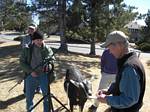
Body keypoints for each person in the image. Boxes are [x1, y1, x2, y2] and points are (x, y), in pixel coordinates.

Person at [97, 31, 146, 112]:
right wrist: (109, 91)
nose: (110, 52)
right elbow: (122, 83)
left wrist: (106, 99)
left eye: (110, 48)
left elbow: (130, 99)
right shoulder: (128, 60)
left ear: (120, 45)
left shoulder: (129, 67)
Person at [20, 31, 55, 112]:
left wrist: (48, 66)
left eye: (41, 39)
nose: (40, 42)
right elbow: (22, 62)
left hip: (43, 75)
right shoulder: (27, 49)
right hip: (30, 76)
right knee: (29, 98)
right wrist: (30, 71)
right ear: (33, 40)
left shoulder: (47, 48)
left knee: (46, 97)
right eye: (37, 40)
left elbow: (52, 59)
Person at [21, 24, 42, 94]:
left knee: (38, 72)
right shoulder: (25, 37)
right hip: (29, 58)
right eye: (29, 29)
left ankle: (38, 88)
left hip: (37, 57)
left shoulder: (37, 36)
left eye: (32, 29)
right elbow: (24, 45)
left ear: (35, 30)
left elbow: (41, 44)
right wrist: (30, 46)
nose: (30, 30)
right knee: (27, 74)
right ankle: (25, 90)